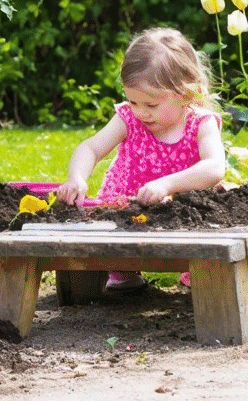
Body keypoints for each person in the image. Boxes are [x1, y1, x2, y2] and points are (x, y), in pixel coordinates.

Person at [55, 27, 226, 291]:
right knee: (109, 242)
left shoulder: (201, 124)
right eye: (133, 101)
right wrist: (76, 178)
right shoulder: (128, 118)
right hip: (125, 213)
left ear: (186, 95)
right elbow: (91, 148)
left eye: (151, 105)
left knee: (213, 216)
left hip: (179, 218)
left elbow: (214, 167)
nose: (141, 112)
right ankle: (123, 270)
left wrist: (166, 185)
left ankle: (195, 267)